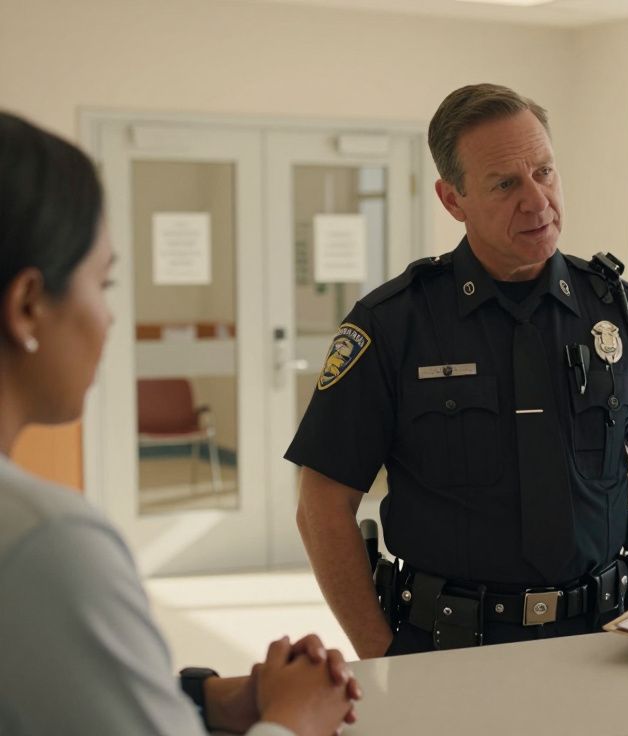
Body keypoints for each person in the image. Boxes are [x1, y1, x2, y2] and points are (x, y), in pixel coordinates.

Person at [287, 83, 628, 658]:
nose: (537, 201)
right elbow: (321, 504)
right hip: (445, 649)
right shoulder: (394, 325)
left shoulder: (623, 313)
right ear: (452, 199)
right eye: (505, 184)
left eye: (544, 172)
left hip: (607, 640)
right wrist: (380, 653)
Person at [0, 111, 364, 734]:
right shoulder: (45, 542)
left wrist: (204, 701)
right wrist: (294, 719)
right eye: (104, 281)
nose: (111, 319)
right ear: (29, 305)